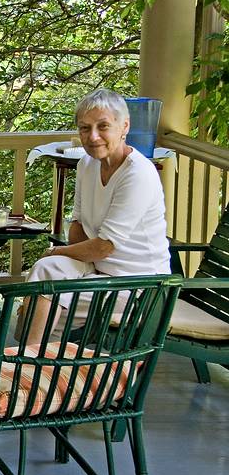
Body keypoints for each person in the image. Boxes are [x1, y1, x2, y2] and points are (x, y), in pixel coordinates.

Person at [20, 88, 171, 343]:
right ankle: (38, 357)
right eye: (84, 128)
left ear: (124, 126)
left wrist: (57, 252)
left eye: (103, 127)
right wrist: (66, 259)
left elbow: (103, 246)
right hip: (97, 270)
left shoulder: (138, 174)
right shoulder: (86, 164)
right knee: (47, 269)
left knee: (48, 296)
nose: (93, 137)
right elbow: (78, 224)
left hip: (138, 286)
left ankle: (31, 359)